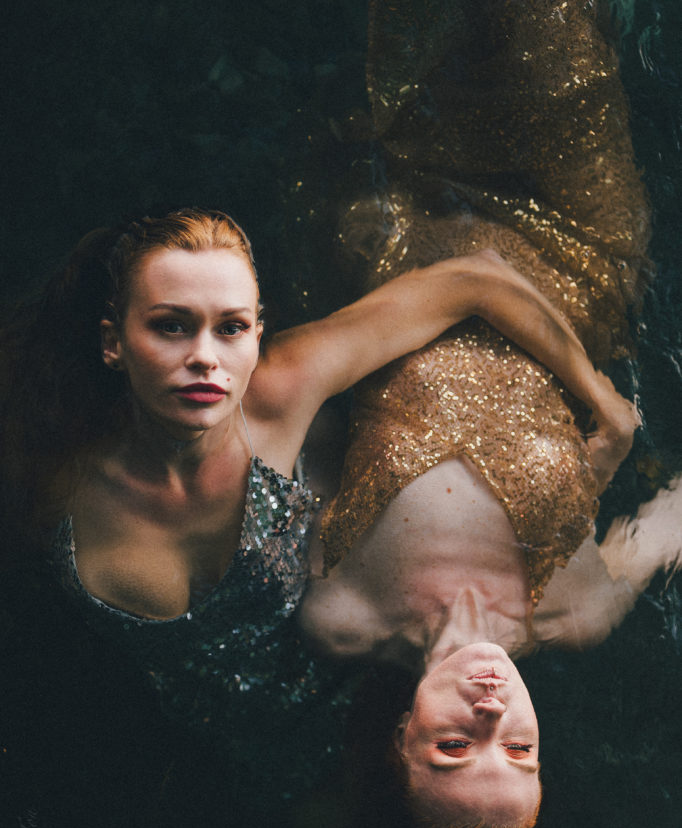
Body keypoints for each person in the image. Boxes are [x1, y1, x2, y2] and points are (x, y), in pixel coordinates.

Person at [0, 206, 623, 729]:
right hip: (192, 720)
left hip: (356, 670)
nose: (203, 358)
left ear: (258, 335)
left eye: (232, 329)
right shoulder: (52, 472)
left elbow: (476, 279)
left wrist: (602, 402)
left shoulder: (277, 393)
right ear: (113, 343)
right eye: (170, 327)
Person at [299, 0, 681, 675]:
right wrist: (604, 458)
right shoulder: (581, 609)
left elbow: (297, 428)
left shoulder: (339, 611)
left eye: (454, 749)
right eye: (516, 753)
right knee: (551, 30)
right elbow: (669, 521)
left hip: (407, 240)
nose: (486, 717)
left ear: (406, 741)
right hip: (575, 264)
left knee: (413, 45)